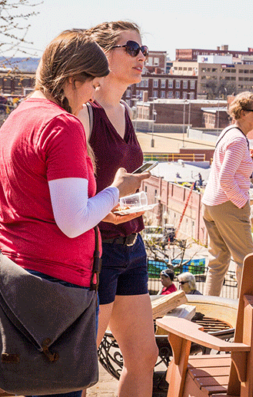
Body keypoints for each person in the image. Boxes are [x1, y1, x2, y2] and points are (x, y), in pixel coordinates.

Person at [0, 30, 148, 397]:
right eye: (93, 84)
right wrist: (117, 191)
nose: (94, 94)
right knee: (62, 387)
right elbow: (73, 219)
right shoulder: (61, 126)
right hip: (58, 286)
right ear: (71, 79)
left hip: (20, 276)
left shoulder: (19, 117)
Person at [80, 21, 158, 397]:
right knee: (79, 365)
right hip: (98, 250)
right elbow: (70, 186)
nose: (142, 56)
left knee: (144, 357)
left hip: (133, 247)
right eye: (132, 49)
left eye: (144, 49)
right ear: (103, 53)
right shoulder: (86, 113)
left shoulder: (125, 110)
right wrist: (105, 207)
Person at [201, 92, 253, 296]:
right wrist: (242, 202)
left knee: (218, 262)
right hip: (228, 206)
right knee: (248, 262)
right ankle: (245, 314)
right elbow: (226, 178)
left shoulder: (229, 133)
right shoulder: (237, 140)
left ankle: (209, 309)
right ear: (244, 113)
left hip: (211, 204)